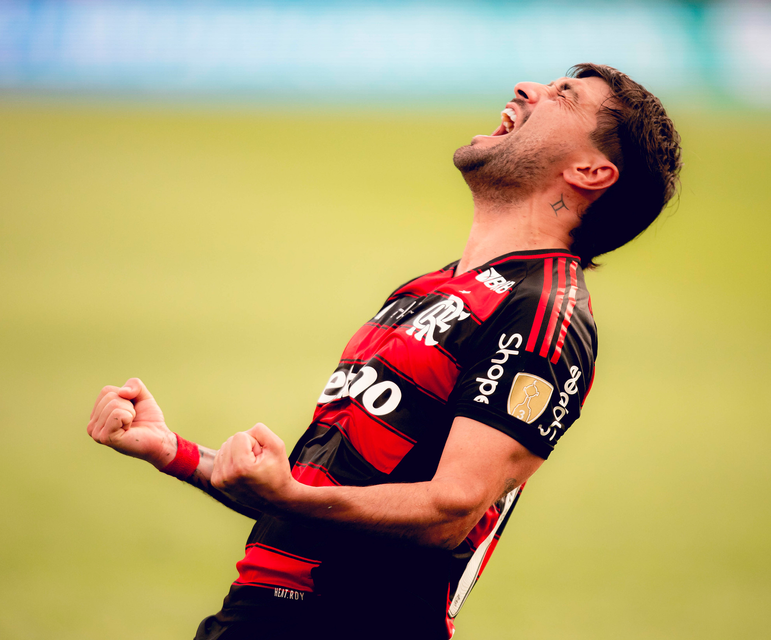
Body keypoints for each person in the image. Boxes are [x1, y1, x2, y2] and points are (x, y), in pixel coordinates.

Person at [87, 63, 681, 639]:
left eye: (564, 95)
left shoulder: (544, 311)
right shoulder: (425, 291)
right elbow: (320, 496)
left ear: (590, 172)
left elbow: (449, 511)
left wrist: (289, 493)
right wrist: (175, 452)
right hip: (258, 617)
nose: (528, 88)